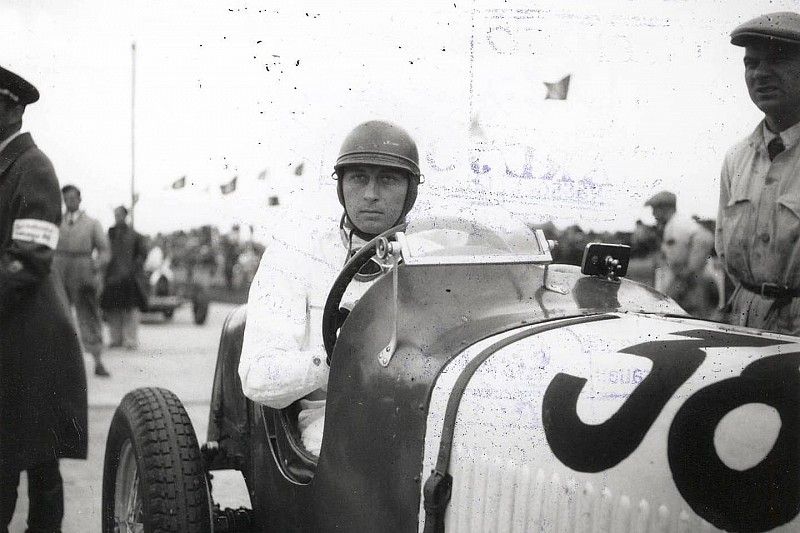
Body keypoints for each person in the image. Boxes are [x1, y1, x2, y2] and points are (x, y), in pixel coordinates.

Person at [239, 120, 422, 456]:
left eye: (388, 179)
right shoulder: (294, 255)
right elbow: (257, 376)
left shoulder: (431, 256)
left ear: (411, 188)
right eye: (358, 178)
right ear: (341, 185)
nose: (371, 194)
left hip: (420, 412)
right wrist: (333, 360)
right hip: (330, 419)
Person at [0, 65, 87, 533]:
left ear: (11, 107)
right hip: (12, 333)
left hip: (31, 338)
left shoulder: (33, 167)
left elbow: (30, 257)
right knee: (26, 454)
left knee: (33, 459)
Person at [716, 12, 800, 334]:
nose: (760, 74)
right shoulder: (736, 159)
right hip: (743, 322)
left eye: (777, 60)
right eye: (751, 64)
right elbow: (725, 258)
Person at [54, 184, 111, 377]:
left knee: (89, 317)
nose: (69, 201)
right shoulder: (56, 222)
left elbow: (104, 250)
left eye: (73, 198)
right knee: (59, 317)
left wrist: (95, 266)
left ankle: (97, 361)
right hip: (59, 273)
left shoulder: (92, 223)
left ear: (79, 199)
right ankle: (59, 363)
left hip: (83, 273)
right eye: (66, 198)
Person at [645, 190, 715, 317]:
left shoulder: (678, 224)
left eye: (655, 209)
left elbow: (705, 238)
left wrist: (692, 268)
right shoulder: (672, 224)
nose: (653, 214)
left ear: (665, 208)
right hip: (687, 280)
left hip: (694, 282)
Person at [101, 205, 148, 349]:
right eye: (115, 214)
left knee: (131, 310)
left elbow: (142, 255)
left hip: (130, 278)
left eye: (119, 214)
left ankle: (130, 340)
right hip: (111, 278)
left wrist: (134, 269)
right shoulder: (109, 234)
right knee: (112, 310)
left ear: (125, 216)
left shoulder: (135, 235)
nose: (117, 217)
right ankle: (116, 339)